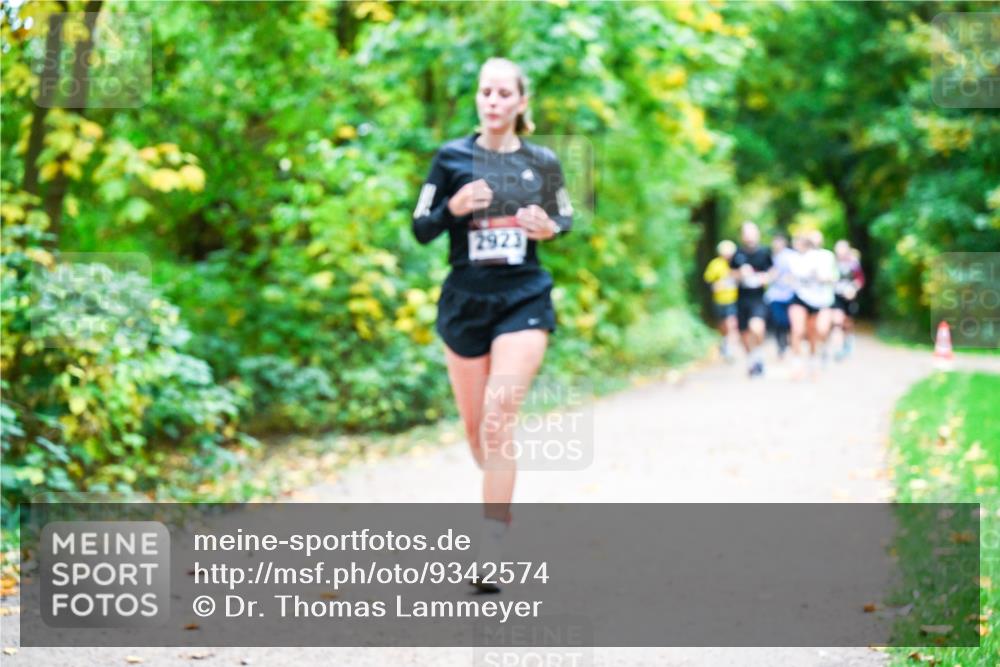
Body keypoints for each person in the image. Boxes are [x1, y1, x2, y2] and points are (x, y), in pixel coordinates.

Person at [411, 57, 573, 593]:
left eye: (505, 93)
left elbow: (563, 219)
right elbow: (421, 226)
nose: (494, 101)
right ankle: (500, 507)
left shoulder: (542, 162)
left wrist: (546, 227)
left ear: (522, 102)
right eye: (486, 92)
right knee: (478, 434)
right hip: (464, 302)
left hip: (522, 299)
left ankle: (491, 548)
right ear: (478, 99)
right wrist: (455, 207)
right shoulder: (451, 158)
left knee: (500, 420)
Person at [787, 230, 837, 378]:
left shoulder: (827, 256)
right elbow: (793, 275)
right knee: (797, 330)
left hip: (820, 300)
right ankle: (796, 364)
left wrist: (824, 278)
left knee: (815, 332)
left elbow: (833, 276)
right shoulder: (795, 257)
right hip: (800, 298)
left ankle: (814, 361)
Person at [730, 221, 772, 378]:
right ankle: (752, 360)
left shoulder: (764, 252)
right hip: (742, 298)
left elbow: (772, 272)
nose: (749, 236)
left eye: (752, 232)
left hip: (758, 298)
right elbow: (731, 274)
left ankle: (758, 356)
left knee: (757, 328)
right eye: (746, 233)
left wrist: (764, 277)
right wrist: (740, 274)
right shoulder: (737, 253)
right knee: (744, 334)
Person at [703, 240, 739, 362]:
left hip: (734, 299)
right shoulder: (715, 264)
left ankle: (730, 349)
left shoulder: (736, 263)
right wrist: (715, 285)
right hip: (719, 300)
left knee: (731, 324)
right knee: (722, 325)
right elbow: (708, 281)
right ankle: (724, 343)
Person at [830, 240, 865, 361]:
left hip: (849, 297)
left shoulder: (853, 263)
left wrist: (853, 289)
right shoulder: (832, 262)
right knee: (837, 321)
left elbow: (860, 279)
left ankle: (848, 342)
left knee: (847, 323)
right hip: (836, 296)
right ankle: (838, 349)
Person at [764, 233, 795, 359]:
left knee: (788, 321)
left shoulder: (791, 256)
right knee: (777, 321)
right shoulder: (770, 256)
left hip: (790, 294)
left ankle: (789, 342)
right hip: (775, 295)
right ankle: (781, 345)